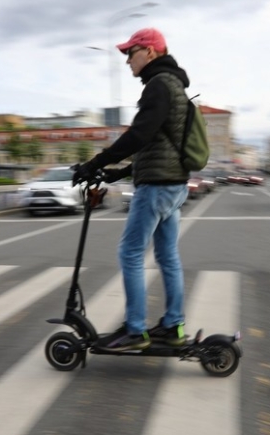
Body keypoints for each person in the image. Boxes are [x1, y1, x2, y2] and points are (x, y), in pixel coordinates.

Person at [73, 28, 191, 352]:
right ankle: (173, 325)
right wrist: (117, 173)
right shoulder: (174, 84)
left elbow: (139, 135)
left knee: (130, 253)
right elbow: (156, 142)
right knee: (168, 257)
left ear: (150, 52)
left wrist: (94, 162)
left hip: (156, 188)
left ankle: (136, 330)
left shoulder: (159, 85)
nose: (127, 61)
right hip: (173, 184)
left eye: (131, 53)